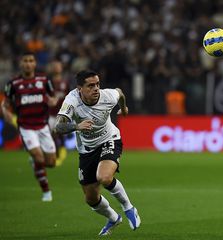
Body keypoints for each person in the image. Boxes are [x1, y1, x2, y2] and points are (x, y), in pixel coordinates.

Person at [54, 70, 141, 235]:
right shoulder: (71, 101)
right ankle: (114, 218)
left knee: (104, 177)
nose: (96, 89)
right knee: (91, 198)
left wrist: (124, 109)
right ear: (80, 89)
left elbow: (120, 93)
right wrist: (76, 126)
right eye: (90, 86)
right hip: (86, 150)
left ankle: (128, 208)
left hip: (110, 139)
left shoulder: (107, 96)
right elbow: (58, 127)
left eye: (97, 84)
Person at [1, 52, 58, 202]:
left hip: (43, 126)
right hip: (26, 127)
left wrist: (52, 101)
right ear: (21, 64)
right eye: (25, 60)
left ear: (34, 63)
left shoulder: (44, 80)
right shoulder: (13, 84)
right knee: (39, 157)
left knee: (51, 163)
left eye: (31, 60)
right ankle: (46, 191)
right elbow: (5, 103)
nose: (28, 63)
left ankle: (34, 161)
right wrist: (5, 111)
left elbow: (53, 97)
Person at [47, 60, 70, 166]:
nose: (56, 68)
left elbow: (69, 99)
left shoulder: (65, 83)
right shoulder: (48, 83)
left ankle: (58, 154)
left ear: (61, 68)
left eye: (58, 66)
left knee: (56, 134)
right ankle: (54, 154)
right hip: (50, 114)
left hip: (61, 114)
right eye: (54, 66)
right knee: (50, 136)